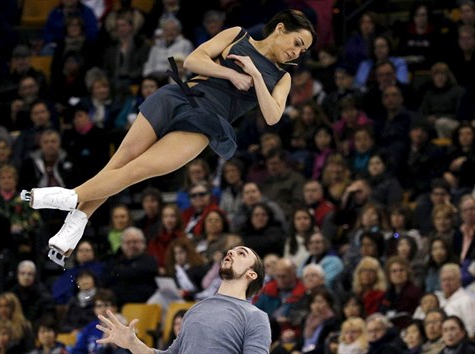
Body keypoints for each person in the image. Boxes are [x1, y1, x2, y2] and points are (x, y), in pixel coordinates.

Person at [21, 9, 316, 264]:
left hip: (206, 122)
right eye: (297, 43)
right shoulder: (237, 35)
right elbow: (193, 61)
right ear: (280, 29)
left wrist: (252, 73)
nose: (297, 52)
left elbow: (273, 115)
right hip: (179, 96)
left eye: (302, 51)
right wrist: (230, 74)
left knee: (136, 171)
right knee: (120, 161)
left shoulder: (283, 76)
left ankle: (70, 197)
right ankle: (74, 223)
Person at [96, 245, 270, 353]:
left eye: (241, 253)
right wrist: (133, 344)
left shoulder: (255, 316)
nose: (231, 251)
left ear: (251, 274)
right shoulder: (196, 309)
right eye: (232, 250)